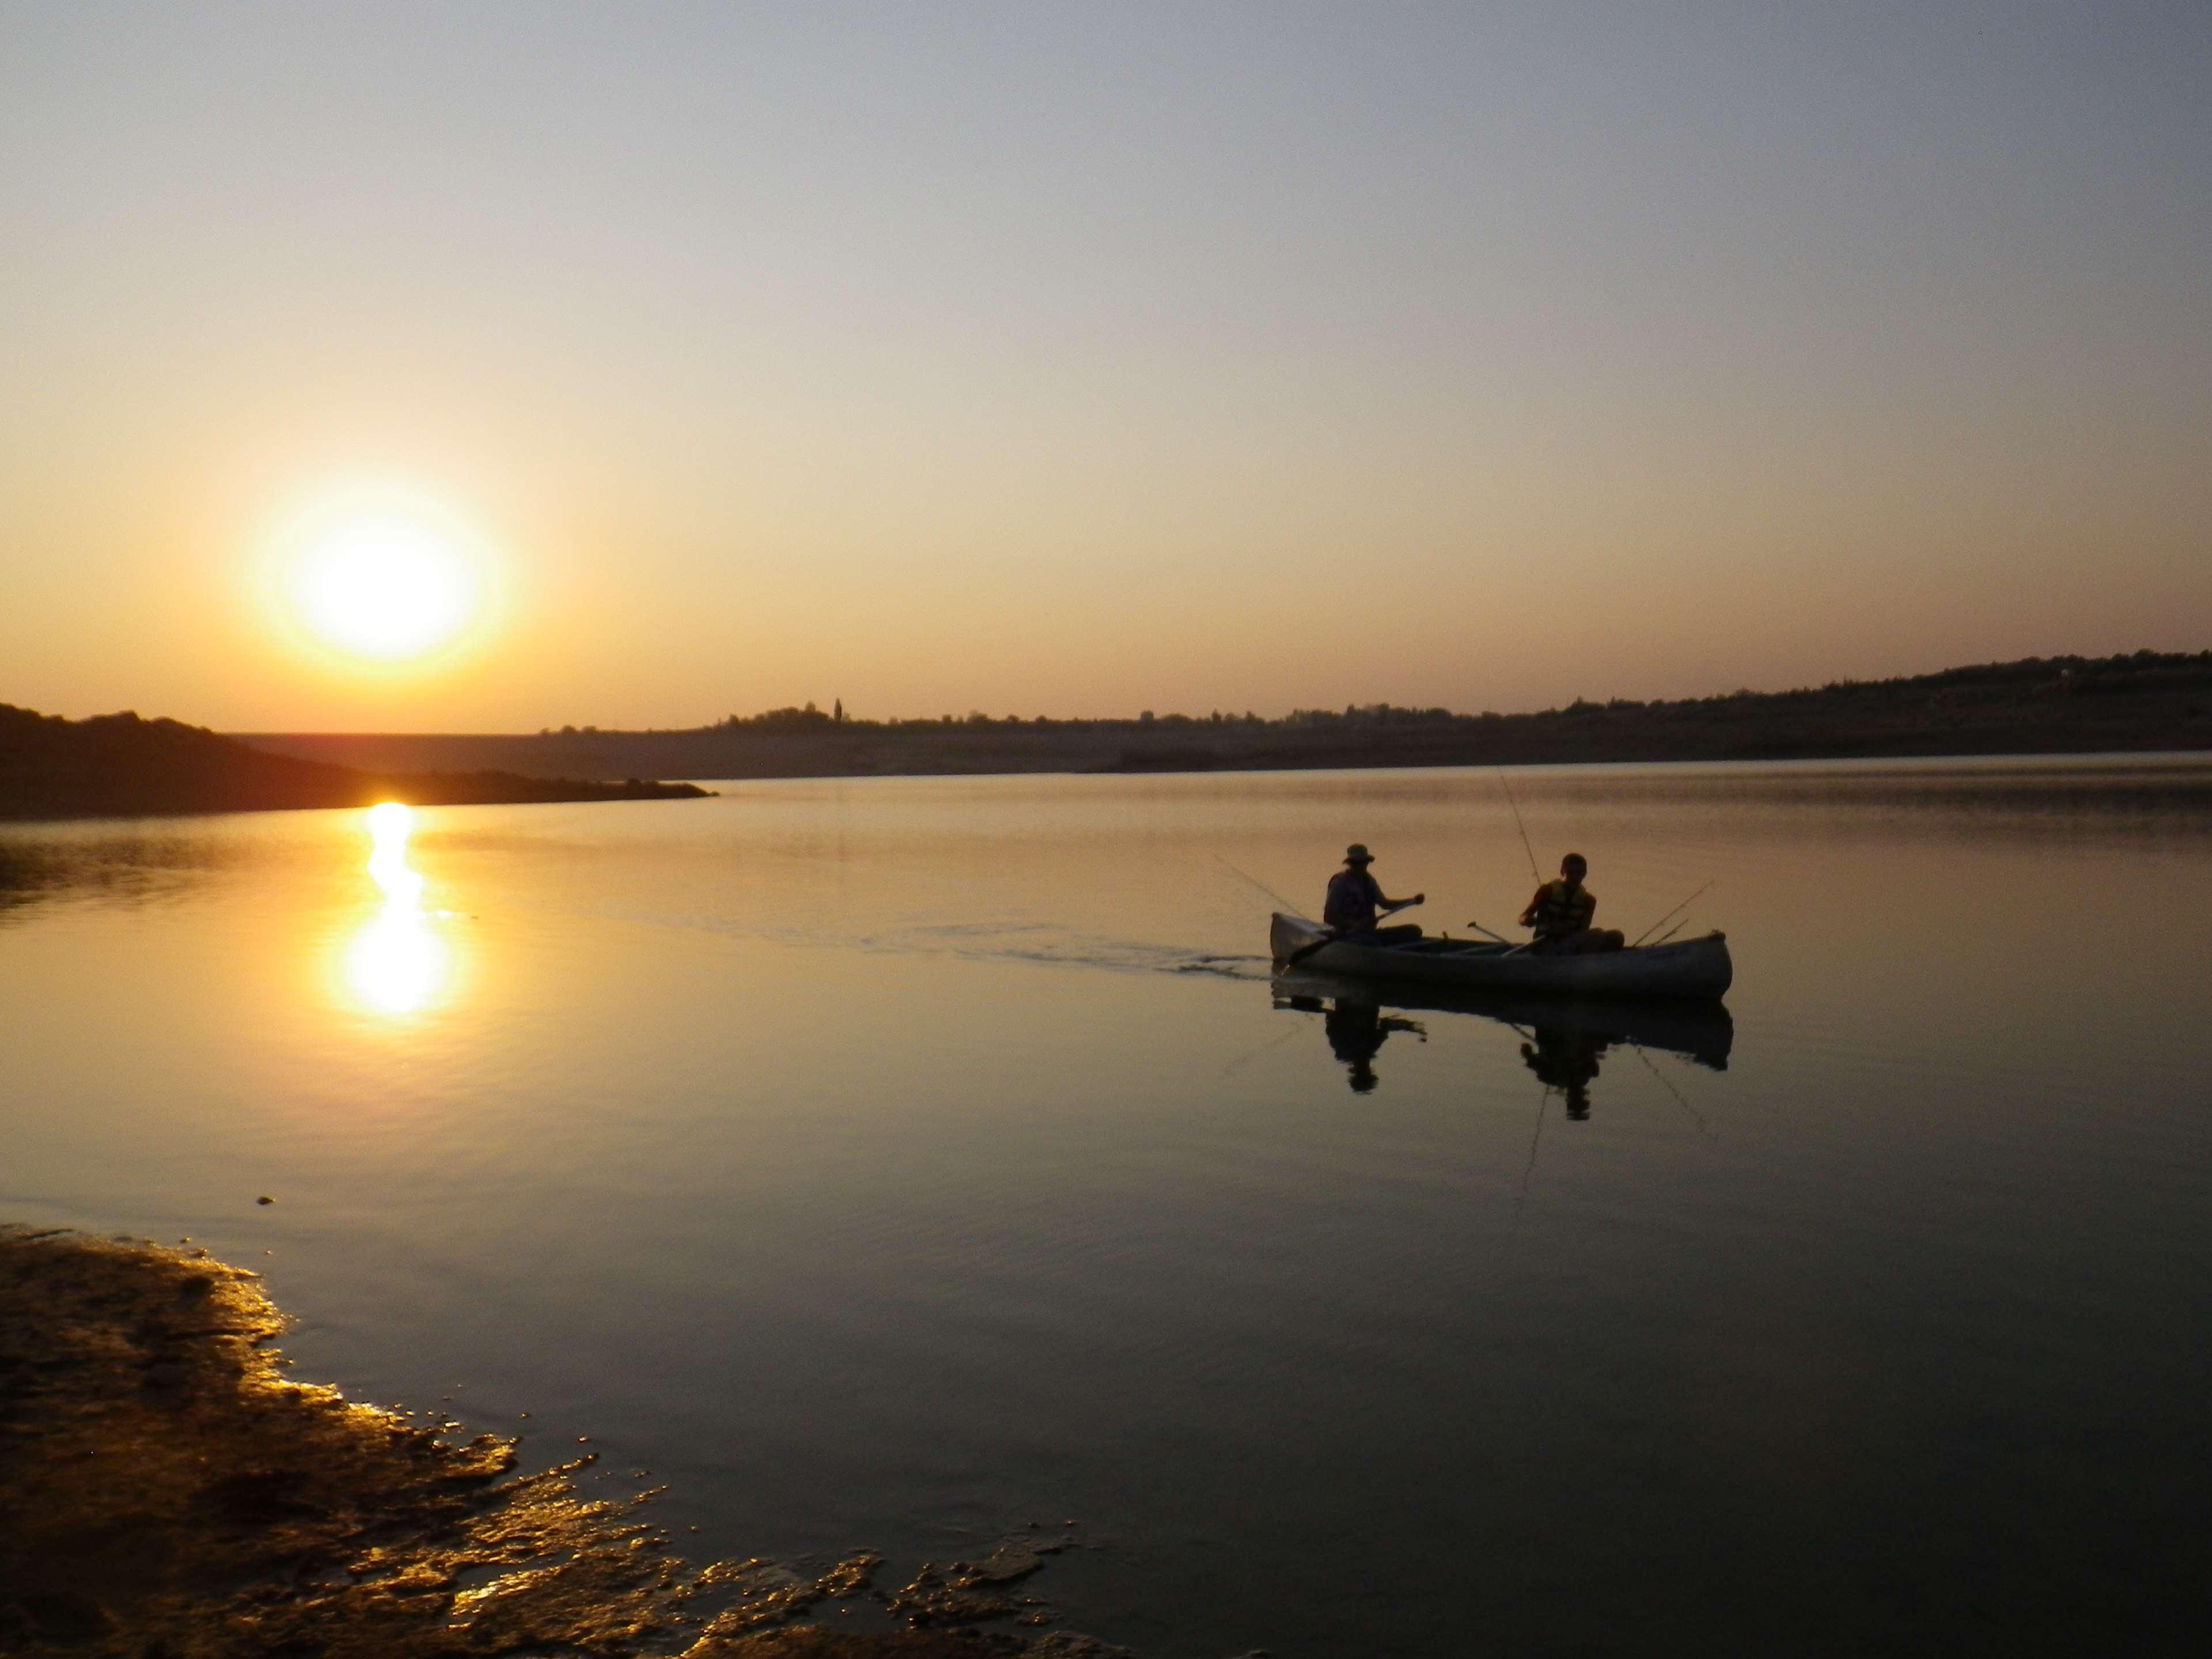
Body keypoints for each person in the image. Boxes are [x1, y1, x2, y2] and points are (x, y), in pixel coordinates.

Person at [1518, 853, 1624, 954]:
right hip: (1545, 944)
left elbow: (1583, 929)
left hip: (1571, 942)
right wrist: (1537, 922)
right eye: (1570, 872)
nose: (1575, 877)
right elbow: (1523, 918)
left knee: (1617, 936)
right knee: (1598, 934)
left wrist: (1566, 930)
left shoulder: (1589, 900)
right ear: (1562, 872)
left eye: (1579, 873)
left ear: (1585, 874)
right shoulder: (1547, 891)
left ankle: (1591, 960)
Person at [1323, 844, 1424, 942]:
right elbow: (1329, 917)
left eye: (1363, 862)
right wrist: (1354, 925)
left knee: (1414, 931)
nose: (1361, 866)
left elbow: (1385, 904)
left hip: (1369, 933)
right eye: (1357, 863)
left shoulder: (1369, 880)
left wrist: (1412, 901)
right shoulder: (1340, 883)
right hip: (1347, 935)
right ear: (1350, 864)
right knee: (1370, 941)